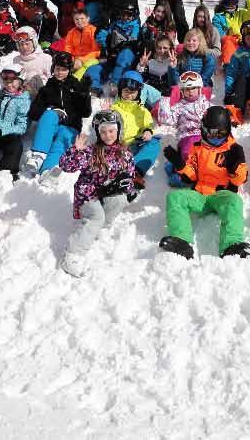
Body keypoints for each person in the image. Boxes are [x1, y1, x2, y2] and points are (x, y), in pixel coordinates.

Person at [159, 106, 250, 260]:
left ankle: (231, 244)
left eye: (220, 133)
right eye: (211, 133)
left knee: (235, 201)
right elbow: (191, 176)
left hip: (222, 195)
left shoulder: (234, 149)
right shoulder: (197, 148)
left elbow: (240, 179)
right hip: (200, 196)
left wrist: (234, 168)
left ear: (227, 130)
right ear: (203, 130)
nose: (215, 137)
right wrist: (180, 165)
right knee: (174, 197)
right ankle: (181, 241)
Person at [59, 110, 140, 277]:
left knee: (119, 200)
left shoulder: (125, 154)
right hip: (87, 194)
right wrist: (76, 150)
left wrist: (128, 187)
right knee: (97, 216)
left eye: (111, 131)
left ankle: (95, 229)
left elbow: (130, 175)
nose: (107, 135)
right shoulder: (91, 151)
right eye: (103, 131)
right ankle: (72, 255)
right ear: (97, 133)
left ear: (119, 130)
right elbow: (66, 166)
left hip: (108, 193)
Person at [26, 51, 93, 177]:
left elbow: (86, 113)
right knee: (50, 115)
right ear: (53, 68)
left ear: (69, 70)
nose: (60, 72)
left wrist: (85, 94)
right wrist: (50, 110)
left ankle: (47, 171)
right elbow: (33, 113)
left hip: (70, 126)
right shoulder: (46, 89)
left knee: (60, 144)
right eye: (57, 68)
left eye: (64, 69)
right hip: (49, 126)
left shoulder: (76, 87)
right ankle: (38, 156)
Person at [158, 71, 211, 186]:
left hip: (205, 137)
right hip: (187, 137)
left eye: (193, 88)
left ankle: (204, 172)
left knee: (207, 153)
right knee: (189, 150)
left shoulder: (205, 104)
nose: (190, 92)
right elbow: (166, 120)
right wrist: (165, 99)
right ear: (182, 91)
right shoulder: (179, 106)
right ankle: (184, 174)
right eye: (187, 89)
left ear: (199, 89)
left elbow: (214, 118)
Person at [111, 71, 162, 184]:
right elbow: (103, 126)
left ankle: (136, 171)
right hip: (117, 146)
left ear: (138, 93)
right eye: (126, 91)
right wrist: (106, 113)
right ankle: (116, 172)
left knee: (155, 142)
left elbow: (147, 124)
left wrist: (148, 131)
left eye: (133, 92)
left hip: (135, 144)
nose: (129, 95)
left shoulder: (142, 110)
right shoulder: (114, 108)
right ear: (120, 91)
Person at [92, 3, 143, 97]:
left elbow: (134, 39)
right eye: (124, 14)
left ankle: (114, 85)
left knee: (123, 57)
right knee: (95, 69)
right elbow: (106, 35)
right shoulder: (115, 24)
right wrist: (103, 38)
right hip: (113, 56)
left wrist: (125, 41)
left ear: (133, 16)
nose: (126, 17)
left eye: (129, 15)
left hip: (126, 58)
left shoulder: (135, 26)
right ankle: (94, 88)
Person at [213, 0, 250, 64]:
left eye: (233, 3)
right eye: (227, 3)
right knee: (227, 41)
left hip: (243, 42)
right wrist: (233, 37)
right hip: (228, 45)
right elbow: (219, 34)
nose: (231, 5)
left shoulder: (241, 14)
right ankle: (228, 65)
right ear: (222, 4)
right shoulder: (218, 17)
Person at [173, 29, 217, 102]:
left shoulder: (206, 56)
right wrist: (173, 68)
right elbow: (176, 76)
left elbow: (207, 73)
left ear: (200, 42)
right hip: (185, 88)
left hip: (202, 87)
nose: (191, 43)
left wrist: (198, 86)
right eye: (188, 40)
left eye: (194, 40)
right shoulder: (181, 56)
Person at [63, 8, 102, 85]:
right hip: (75, 59)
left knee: (87, 66)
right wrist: (71, 58)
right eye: (76, 19)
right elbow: (68, 48)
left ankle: (75, 81)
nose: (79, 21)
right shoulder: (71, 32)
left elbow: (96, 51)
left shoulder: (94, 31)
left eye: (82, 18)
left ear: (88, 19)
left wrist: (81, 60)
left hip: (92, 59)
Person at [11, 26, 52, 98]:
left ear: (34, 43)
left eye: (27, 44)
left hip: (39, 96)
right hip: (19, 95)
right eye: (20, 44)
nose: (24, 47)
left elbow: (52, 81)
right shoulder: (16, 60)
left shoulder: (45, 58)